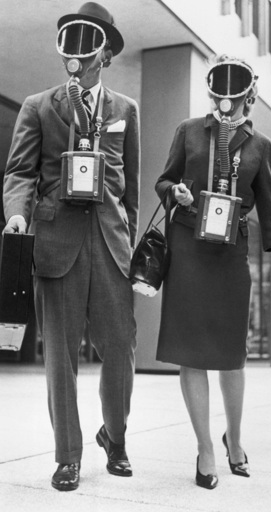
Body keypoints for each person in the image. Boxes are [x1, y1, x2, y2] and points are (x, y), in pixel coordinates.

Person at [3, 2, 140, 491]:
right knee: (59, 358)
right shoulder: (38, 105)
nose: (79, 52)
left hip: (110, 245)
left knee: (121, 351)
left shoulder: (126, 110)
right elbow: (19, 171)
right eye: (71, 40)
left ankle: (115, 436)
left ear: (106, 52)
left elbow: (133, 192)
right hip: (55, 241)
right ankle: (68, 456)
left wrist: (131, 248)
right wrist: (16, 213)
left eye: (89, 41)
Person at [155, 55, 271, 489]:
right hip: (188, 248)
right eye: (219, 86)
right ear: (211, 90)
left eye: (237, 87)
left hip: (231, 254)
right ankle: (206, 449)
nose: (226, 95)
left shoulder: (261, 144)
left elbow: (269, 208)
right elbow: (165, 179)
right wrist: (174, 191)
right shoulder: (188, 130)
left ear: (250, 93)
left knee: (232, 357)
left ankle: (235, 439)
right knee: (191, 353)